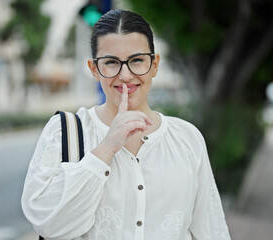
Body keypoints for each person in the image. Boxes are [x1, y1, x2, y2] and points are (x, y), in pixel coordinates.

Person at [21, 9, 231, 240]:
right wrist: (106, 148)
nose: (125, 75)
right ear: (94, 69)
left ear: (154, 65)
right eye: (111, 62)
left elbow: (211, 229)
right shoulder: (64, 132)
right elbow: (47, 223)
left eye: (137, 61)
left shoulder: (186, 138)